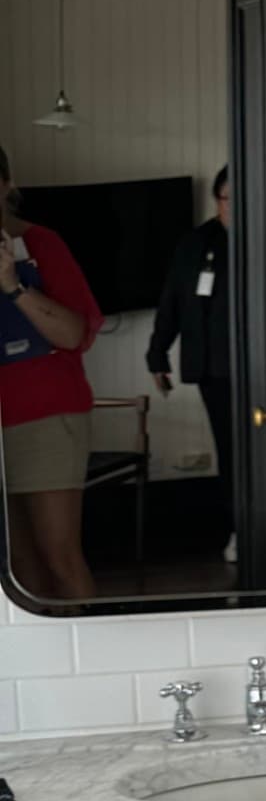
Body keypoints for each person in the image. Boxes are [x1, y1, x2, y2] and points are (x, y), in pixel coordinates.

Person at [0, 141, 103, 604]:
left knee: (59, 558)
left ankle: (88, 644)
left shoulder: (41, 244)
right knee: (18, 568)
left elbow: (75, 333)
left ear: (7, 186)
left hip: (44, 415)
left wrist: (13, 285)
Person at [148, 165, 233, 518]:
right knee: (229, 447)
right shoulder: (196, 243)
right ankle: (238, 525)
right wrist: (157, 355)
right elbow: (172, 301)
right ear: (217, 201)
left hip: (260, 365)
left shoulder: (265, 236)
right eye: (227, 199)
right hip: (213, 366)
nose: (233, 207)